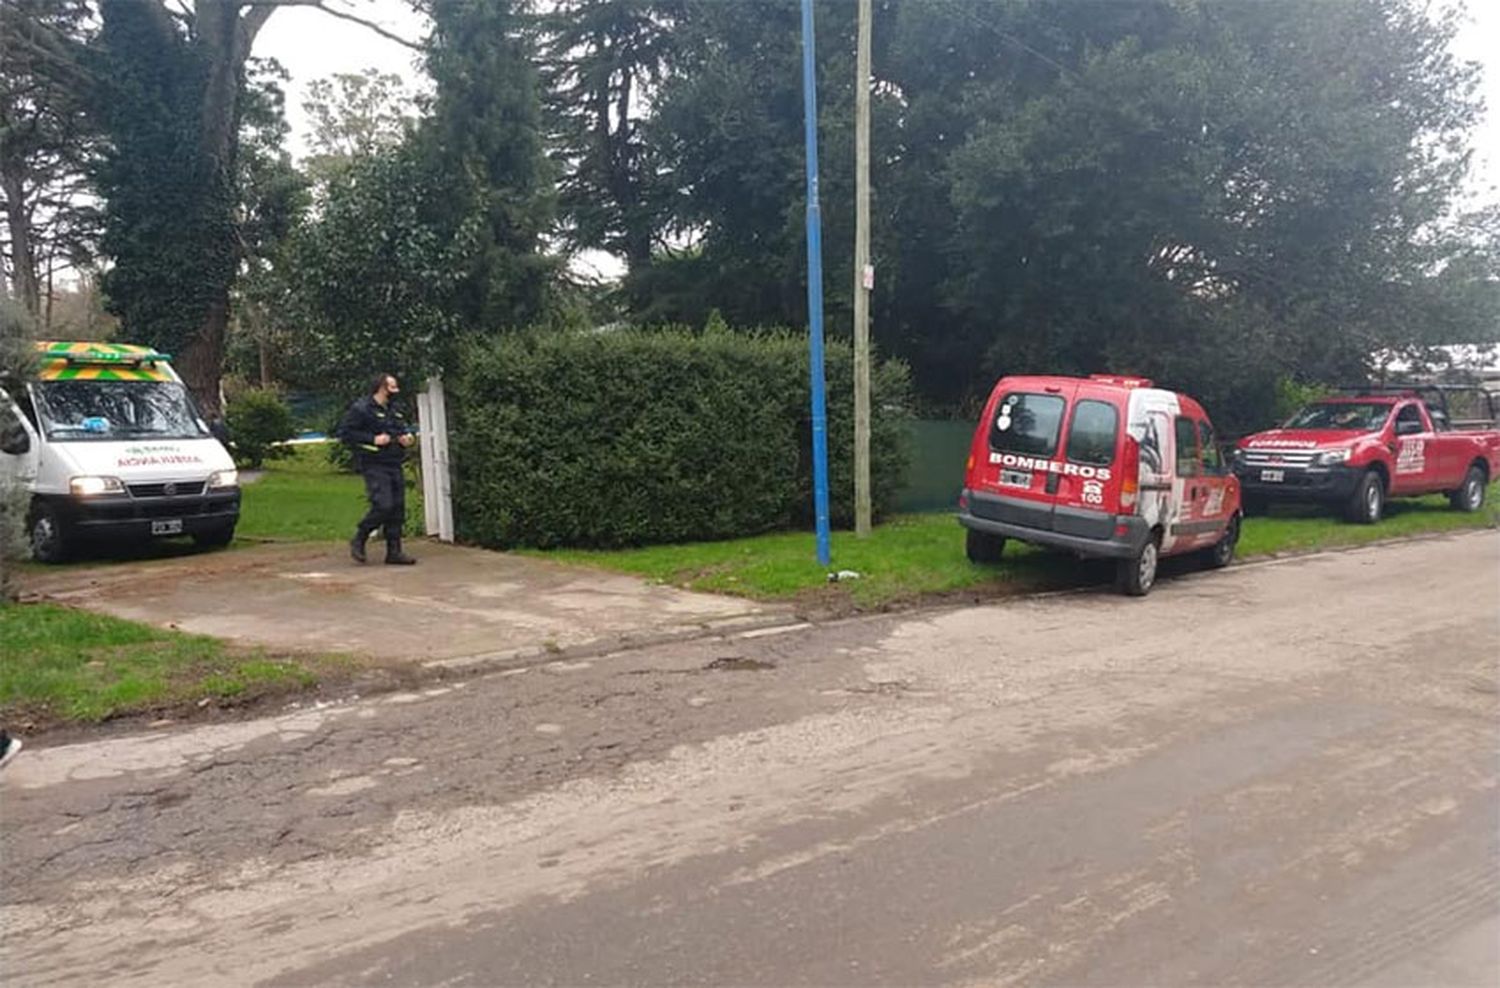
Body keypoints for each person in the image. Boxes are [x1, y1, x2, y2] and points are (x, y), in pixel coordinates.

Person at [337, 373, 418, 566]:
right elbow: (345, 434)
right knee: (384, 505)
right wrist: (373, 439)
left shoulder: (394, 409)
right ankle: (360, 536)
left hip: (394, 462)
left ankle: (394, 552)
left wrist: (406, 438)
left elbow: (401, 429)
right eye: (393, 387)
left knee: (397, 507)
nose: (396, 391)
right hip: (373, 463)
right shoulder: (362, 409)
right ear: (382, 387)